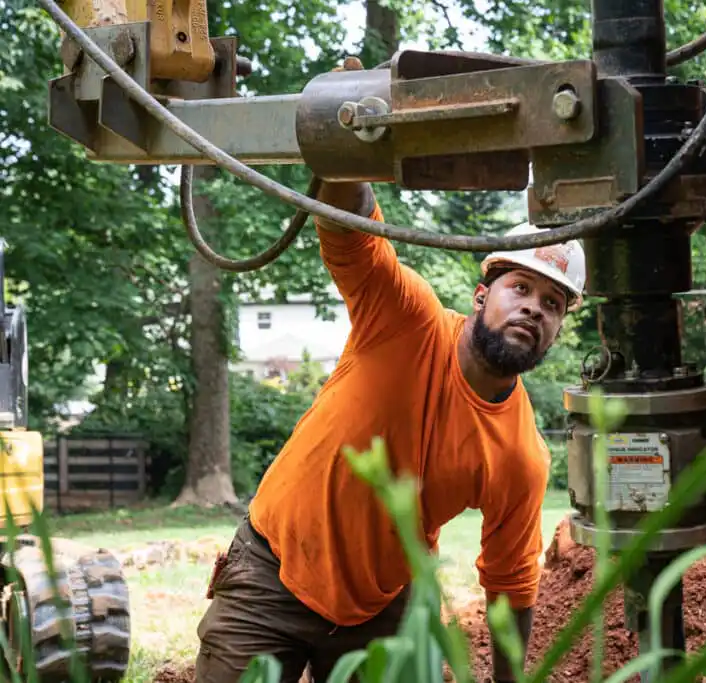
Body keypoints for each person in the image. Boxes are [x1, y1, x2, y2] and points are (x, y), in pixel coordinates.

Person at [192, 141, 587, 681]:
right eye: (520, 287)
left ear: (559, 331)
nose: (533, 308)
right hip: (272, 570)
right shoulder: (406, 320)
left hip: (384, 605)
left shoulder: (520, 456)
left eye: (552, 304)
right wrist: (347, 146)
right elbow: (352, 233)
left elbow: (511, 584)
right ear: (480, 296)